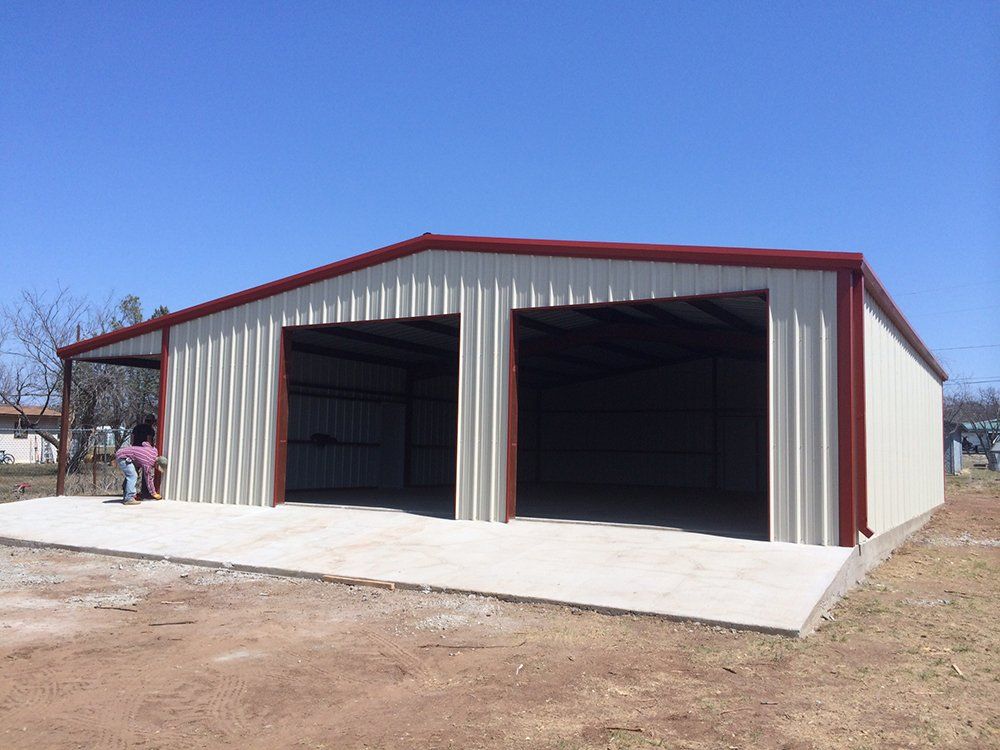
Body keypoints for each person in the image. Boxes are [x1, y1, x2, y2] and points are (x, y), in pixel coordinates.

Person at [115, 441, 161, 506]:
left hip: (124, 453)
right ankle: (129, 498)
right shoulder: (148, 463)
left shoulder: (154, 451)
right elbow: (148, 479)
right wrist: (153, 493)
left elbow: (144, 443)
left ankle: (126, 494)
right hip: (123, 457)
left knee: (132, 475)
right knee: (133, 476)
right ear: (157, 464)